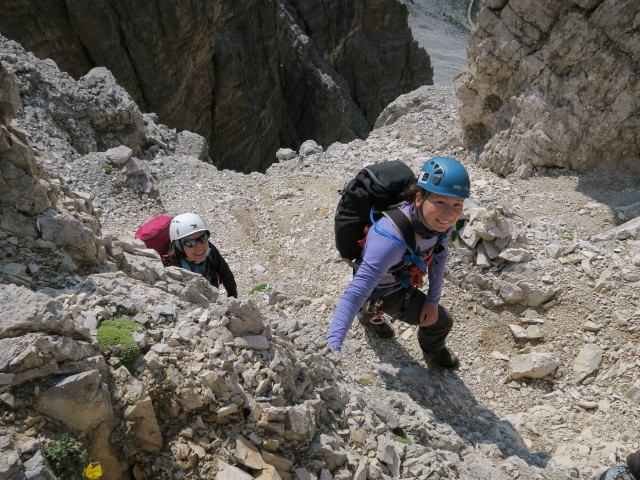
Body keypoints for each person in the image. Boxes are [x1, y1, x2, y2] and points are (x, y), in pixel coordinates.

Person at [327, 157, 470, 368]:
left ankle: (369, 312)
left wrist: (432, 302)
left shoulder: (440, 224)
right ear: (419, 199)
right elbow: (353, 295)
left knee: (427, 311)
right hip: (384, 286)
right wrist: (330, 354)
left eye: (457, 204)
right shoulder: (389, 240)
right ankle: (430, 348)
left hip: (395, 271)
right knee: (442, 322)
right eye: (440, 202)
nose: (449, 215)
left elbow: (439, 254)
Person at [164, 213, 238, 298]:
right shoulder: (172, 270)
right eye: (190, 243)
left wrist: (233, 302)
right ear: (179, 246)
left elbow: (226, 275)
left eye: (203, 238)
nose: (200, 247)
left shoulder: (210, 250)